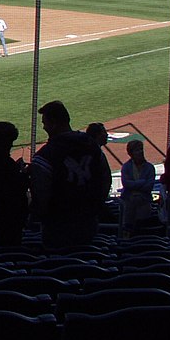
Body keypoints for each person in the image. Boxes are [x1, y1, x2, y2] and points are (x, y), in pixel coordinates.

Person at [29, 100, 112, 248]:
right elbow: (105, 179)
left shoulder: (46, 155)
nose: (44, 127)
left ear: (54, 123)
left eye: (45, 123)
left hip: (57, 226)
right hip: (88, 221)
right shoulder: (92, 145)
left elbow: (41, 194)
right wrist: (95, 207)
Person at [120, 140, 156, 234]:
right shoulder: (126, 167)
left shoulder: (149, 167)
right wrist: (142, 182)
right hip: (129, 202)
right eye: (137, 150)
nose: (140, 152)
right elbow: (126, 184)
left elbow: (149, 186)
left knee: (143, 229)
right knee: (127, 228)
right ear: (131, 153)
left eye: (141, 149)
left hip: (144, 202)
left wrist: (135, 185)